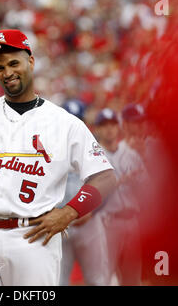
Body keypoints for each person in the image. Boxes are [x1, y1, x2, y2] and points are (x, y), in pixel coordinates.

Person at [0, 29, 117, 285]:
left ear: (30, 61)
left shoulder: (63, 122)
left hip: (33, 236)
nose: (7, 72)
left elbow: (106, 177)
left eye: (13, 63)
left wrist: (68, 213)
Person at [59, 100, 111, 286]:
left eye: (78, 119)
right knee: (58, 281)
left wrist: (91, 211)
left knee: (98, 280)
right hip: (61, 226)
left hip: (89, 223)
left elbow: (107, 183)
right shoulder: (50, 150)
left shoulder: (94, 148)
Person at [93, 108, 147, 285]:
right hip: (106, 222)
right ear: (97, 129)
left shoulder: (131, 154)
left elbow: (147, 189)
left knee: (132, 278)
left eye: (112, 124)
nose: (109, 129)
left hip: (132, 221)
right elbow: (89, 195)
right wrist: (117, 181)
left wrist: (137, 181)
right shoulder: (92, 158)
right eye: (104, 125)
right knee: (104, 277)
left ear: (118, 128)